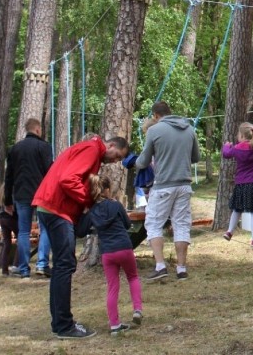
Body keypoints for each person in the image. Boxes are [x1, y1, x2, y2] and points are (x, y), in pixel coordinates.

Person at [33, 135, 129, 339]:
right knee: (65, 265)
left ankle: (60, 323)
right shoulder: (92, 150)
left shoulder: (90, 150)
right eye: (116, 156)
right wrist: (90, 200)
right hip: (57, 209)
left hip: (53, 207)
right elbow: (67, 179)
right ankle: (64, 325)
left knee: (62, 266)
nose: (115, 161)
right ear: (110, 146)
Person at [137, 101, 200, 281]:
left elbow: (143, 160)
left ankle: (160, 266)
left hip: (163, 185)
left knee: (154, 223)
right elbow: (196, 157)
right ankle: (181, 269)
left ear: (156, 115)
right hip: (184, 184)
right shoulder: (189, 129)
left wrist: (135, 163)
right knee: (181, 224)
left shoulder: (154, 131)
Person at [75, 174, 143, 335]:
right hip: (124, 247)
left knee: (113, 287)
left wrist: (85, 212)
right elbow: (128, 224)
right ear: (106, 190)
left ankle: (114, 325)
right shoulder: (116, 205)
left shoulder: (92, 211)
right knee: (132, 277)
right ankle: (137, 309)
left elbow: (81, 231)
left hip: (107, 252)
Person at [4, 118, 53, 278]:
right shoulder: (43, 146)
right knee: (45, 229)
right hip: (41, 194)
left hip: (21, 194)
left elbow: (9, 176)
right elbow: (49, 171)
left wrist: (7, 200)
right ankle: (42, 264)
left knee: (23, 232)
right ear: (38, 130)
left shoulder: (15, 149)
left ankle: (24, 269)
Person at [222, 118, 253, 248]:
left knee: (237, 209)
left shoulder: (236, 149)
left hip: (241, 184)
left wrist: (226, 145)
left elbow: (226, 154)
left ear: (242, 136)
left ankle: (229, 231)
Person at [0, 183, 18, 276]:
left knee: (7, 244)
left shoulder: (1, 191)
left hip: (2, 218)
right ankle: (16, 265)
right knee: (22, 239)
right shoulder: (11, 189)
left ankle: (4, 270)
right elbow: (13, 206)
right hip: (11, 218)